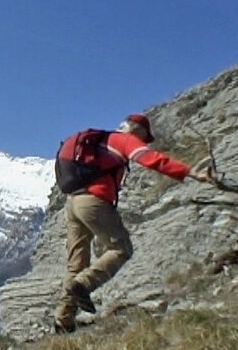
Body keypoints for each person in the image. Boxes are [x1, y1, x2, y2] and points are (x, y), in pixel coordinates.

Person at [54, 113, 211, 333]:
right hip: (94, 202)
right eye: (145, 137)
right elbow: (152, 159)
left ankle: (63, 320)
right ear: (139, 130)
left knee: (76, 262)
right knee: (121, 248)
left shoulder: (101, 142)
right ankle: (83, 285)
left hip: (72, 203)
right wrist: (190, 171)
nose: (144, 142)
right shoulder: (123, 140)